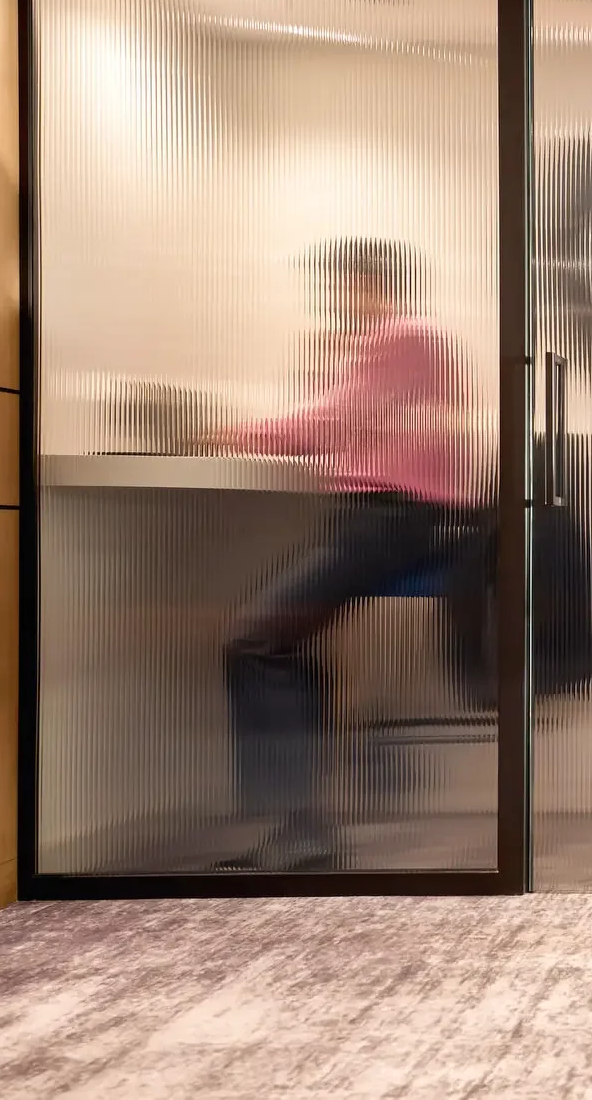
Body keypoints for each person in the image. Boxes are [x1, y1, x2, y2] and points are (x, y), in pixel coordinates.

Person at [213, 238, 481, 872]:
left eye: (347, 286)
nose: (339, 301)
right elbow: (346, 419)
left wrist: (232, 432)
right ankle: (303, 825)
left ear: (373, 283)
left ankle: (300, 825)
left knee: (254, 641)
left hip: (392, 520)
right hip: (380, 518)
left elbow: (335, 423)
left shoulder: (406, 337)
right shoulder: (389, 347)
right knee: (283, 642)